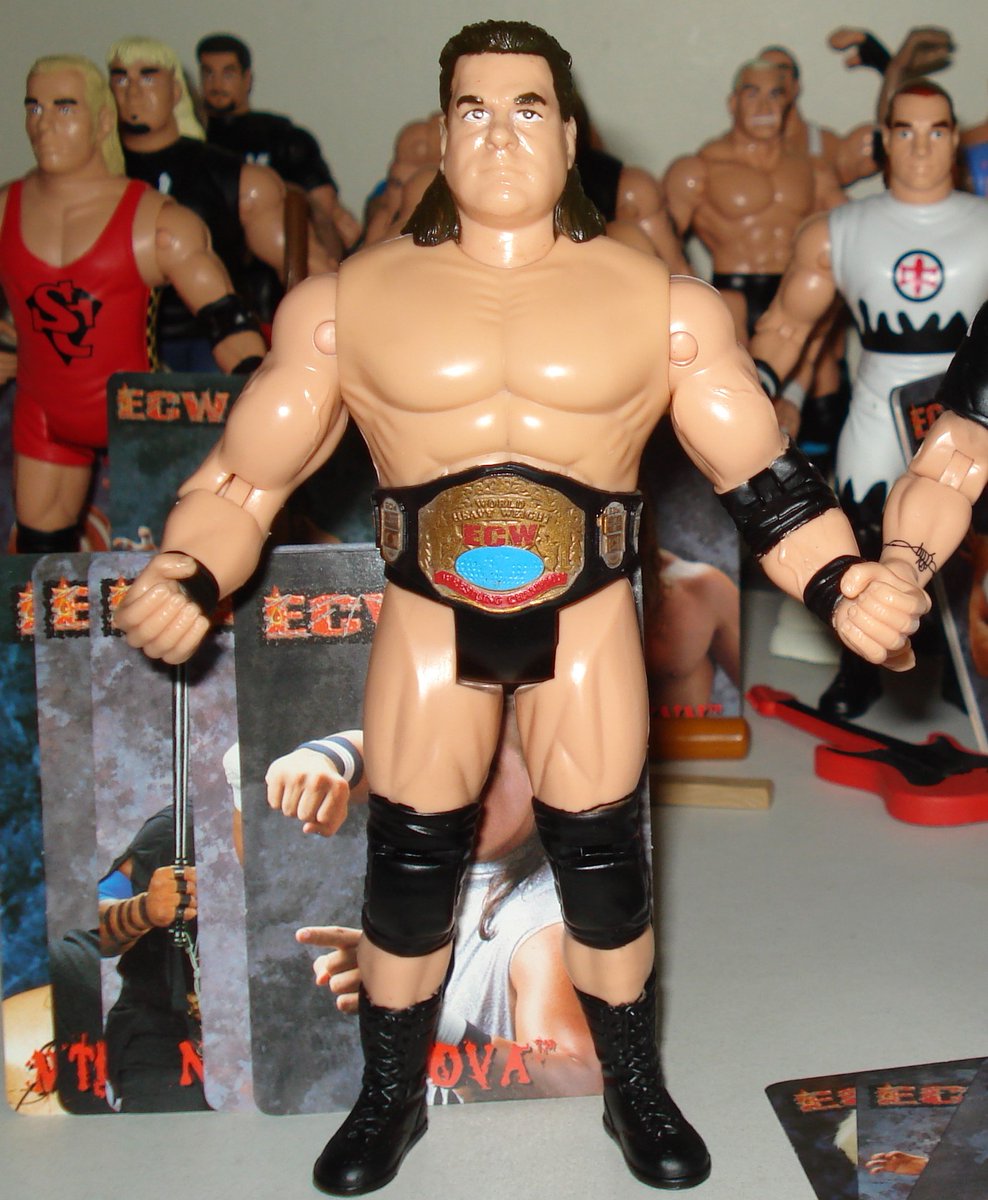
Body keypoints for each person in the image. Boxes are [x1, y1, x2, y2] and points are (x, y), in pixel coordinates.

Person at [116, 20, 926, 1195]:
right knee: (408, 868)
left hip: (586, 617)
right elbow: (244, 482)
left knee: (602, 867)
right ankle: (388, 1095)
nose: (501, 134)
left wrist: (843, 580)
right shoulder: (350, 304)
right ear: (442, 135)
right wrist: (187, 572)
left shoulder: (659, 306)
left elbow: (764, 483)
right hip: (428, 619)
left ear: (571, 135)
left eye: (528, 108)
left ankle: (633, 1085)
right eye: (476, 110)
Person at [750, 81, 988, 717]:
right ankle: (860, 667)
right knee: (857, 536)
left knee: (972, 542)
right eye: (905, 130)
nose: (920, 146)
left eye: (936, 130)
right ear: (884, 138)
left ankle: (960, 672)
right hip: (880, 401)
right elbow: (787, 327)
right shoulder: (839, 230)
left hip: (971, 399)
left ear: (954, 138)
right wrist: (752, 391)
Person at [0, 54, 266, 554]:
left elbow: (227, 324)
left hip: (140, 417)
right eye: (34, 107)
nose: (45, 124)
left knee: (168, 558)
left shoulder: (157, 222)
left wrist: (266, 401)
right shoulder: (4, 210)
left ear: (103, 120)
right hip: (43, 413)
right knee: (40, 562)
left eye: (64, 107)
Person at [270, 705, 603, 1103]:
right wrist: (318, 761)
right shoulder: (475, 842)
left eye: (484, 773)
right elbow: (378, 755)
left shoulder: (542, 928)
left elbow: (578, 1080)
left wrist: (429, 1020)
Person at [107, 36, 331, 366]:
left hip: (216, 340)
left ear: (176, 90)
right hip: (113, 343)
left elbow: (316, 270)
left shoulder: (233, 177)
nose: (134, 91)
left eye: (148, 77)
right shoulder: (94, 179)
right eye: (121, 78)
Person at [664, 57, 845, 345]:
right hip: (731, 294)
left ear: (787, 103)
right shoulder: (700, 169)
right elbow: (660, 241)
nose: (765, 107)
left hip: (796, 293)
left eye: (775, 95)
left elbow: (853, 230)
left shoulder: (812, 169)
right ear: (733, 103)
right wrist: (692, 290)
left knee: (809, 369)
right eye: (752, 95)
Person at [196, 32, 358, 254]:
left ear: (247, 78)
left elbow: (324, 207)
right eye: (208, 73)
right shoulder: (192, 139)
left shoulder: (281, 136)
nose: (216, 84)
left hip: (276, 248)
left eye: (228, 74)